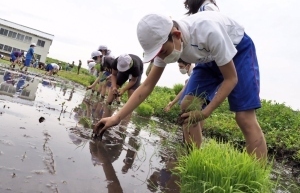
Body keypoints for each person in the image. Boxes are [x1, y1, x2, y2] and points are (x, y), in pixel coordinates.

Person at [95, 12, 267, 160]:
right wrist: (116, 117)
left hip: (237, 50)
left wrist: (205, 112)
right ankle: (195, 159)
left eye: (163, 51)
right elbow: (147, 86)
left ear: (176, 35)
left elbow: (231, 78)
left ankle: (254, 181)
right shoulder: (164, 45)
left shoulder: (208, 31)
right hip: (208, 58)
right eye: (157, 54)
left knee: (244, 117)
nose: (161, 57)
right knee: (187, 106)